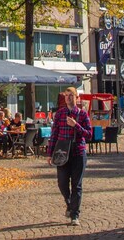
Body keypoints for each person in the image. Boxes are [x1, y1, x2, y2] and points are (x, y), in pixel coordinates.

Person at [46, 87, 92, 227]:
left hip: (78, 152)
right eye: (66, 95)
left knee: (77, 185)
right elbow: (54, 134)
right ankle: (69, 203)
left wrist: (76, 125)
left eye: (71, 95)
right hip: (62, 152)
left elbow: (89, 135)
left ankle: (74, 215)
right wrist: (50, 153)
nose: (68, 98)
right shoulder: (60, 114)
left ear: (77, 97)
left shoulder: (83, 115)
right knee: (62, 183)